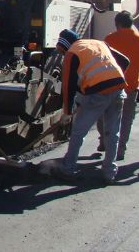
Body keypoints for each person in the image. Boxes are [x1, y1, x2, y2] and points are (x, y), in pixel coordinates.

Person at [53, 29, 129, 184]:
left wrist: (67, 112)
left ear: (65, 45)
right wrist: (111, 78)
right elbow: (125, 61)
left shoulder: (72, 53)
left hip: (97, 94)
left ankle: (68, 169)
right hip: (118, 87)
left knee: (78, 131)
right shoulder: (100, 43)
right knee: (112, 132)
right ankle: (109, 172)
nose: (62, 54)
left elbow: (68, 86)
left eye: (61, 50)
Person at [95, 11, 139, 160]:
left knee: (105, 116)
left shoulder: (109, 39)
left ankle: (105, 142)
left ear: (117, 24)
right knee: (126, 119)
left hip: (110, 86)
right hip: (131, 87)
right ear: (131, 24)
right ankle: (120, 150)